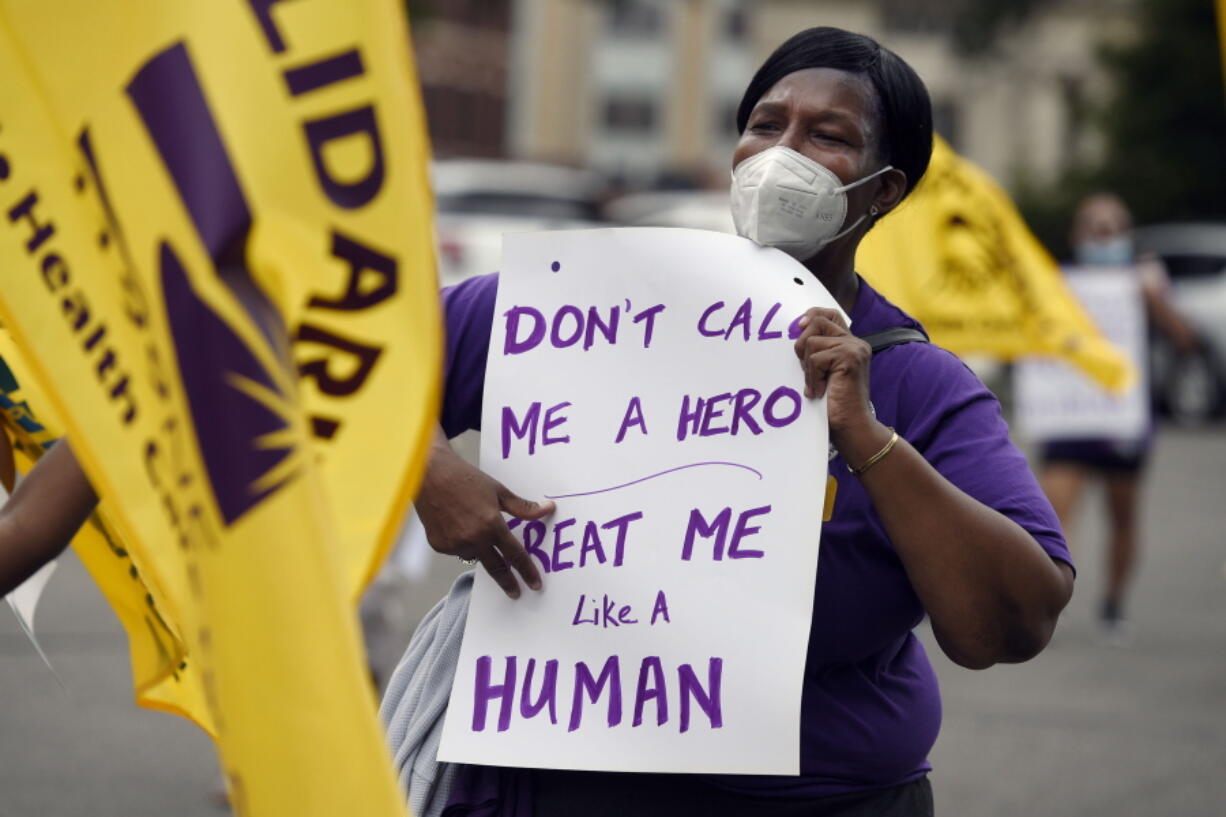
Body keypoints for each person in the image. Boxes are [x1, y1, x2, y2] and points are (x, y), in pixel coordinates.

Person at [410, 26, 1074, 817]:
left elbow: (1010, 624)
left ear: (885, 190)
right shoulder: (579, 306)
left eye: (828, 136)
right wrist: (427, 469)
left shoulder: (915, 383)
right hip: (561, 780)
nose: (779, 156)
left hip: (825, 797)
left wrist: (869, 442)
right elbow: (336, 369)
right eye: (766, 125)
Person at [1039, 192, 1198, 643]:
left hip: (1122, 420)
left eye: (1111, 228)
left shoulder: (1145, 283)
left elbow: (1185, 339)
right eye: (1095, 227)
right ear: (1077, 235)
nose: (1103, 236)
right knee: (1051, 513)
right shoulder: (1057, 283)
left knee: (1122, 514)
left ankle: (1113, 603)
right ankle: (1052, 598)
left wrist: (1155, 299)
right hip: (1068, 417)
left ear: (1126, 236)